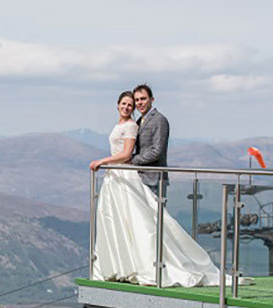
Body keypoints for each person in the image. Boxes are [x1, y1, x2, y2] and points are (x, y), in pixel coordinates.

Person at [89, 90, 219, 287]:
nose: (134, 105)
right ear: (117, 105)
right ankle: (126, 265)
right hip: (126, 177)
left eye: (139, 101)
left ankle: (159, 266)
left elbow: (154, 151)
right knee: (126, 222)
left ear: (151, 100)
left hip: (148, 176)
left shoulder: (156, 120)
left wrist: (128, 162)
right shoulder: (138, 122)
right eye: (131, 102)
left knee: (150, 224)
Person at [129, 83, 169, 197]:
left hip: (155, 179)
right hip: (139, 178)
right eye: (137, 100)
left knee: (154, 213)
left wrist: (133, 160)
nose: (140, 103)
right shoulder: (139, 121)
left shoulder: (159, 119)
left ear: (152, 99)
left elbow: (157, 151)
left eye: (143, 99)